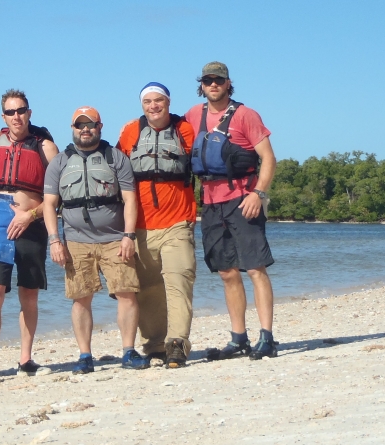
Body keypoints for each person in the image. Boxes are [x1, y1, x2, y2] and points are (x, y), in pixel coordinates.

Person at [183, 62, 278, 360]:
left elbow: (268, 159)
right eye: (208, 80)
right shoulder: (192, 116)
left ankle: (267, 337)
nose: (214, 85)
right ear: (202, 84)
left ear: (228, 83)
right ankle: (239, 338)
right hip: (211, 203)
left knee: (254, 267)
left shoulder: (246, 116)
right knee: (226, 271)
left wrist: (258, 195)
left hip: (242, 199)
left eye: (219, 80)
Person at [42, 106, 145, 374]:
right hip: (76, 241)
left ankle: (128, 351)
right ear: (73, 128)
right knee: (81, 297)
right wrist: (55, 241)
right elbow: (49, 204)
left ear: (100, 127)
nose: (85, 129)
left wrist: (128, 236)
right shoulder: (60, 162)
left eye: (91, 124)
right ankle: (85, 355)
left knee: (127, 293)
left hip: (115, 239)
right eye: (80, 125)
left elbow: (130, 199)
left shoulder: (116, 158)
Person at [0, 89, 60, 383]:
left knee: (29, 293)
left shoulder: (45, 146)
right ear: (3, 116)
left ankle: (25, 358)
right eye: (10, 112)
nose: (16, 117)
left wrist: (30, 215)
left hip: (30, 225)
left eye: (21, 110)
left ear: (29, 112)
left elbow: (58, 194)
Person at [115, 82, 197, 368]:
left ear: (168, 102)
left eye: (158, 100)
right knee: (149, 289)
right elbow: (116, 170)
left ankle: (177, 344)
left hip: (178, 221)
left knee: (178, 281)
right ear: (142, 105)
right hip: (140, 226)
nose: (153, 106)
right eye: (148, 101)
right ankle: (154, 345)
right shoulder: (130, 132)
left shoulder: (186, 130)